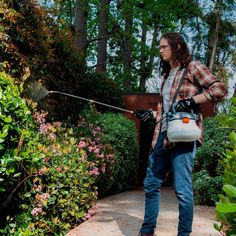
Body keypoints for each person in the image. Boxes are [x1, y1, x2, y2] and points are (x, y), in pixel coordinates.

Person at [135, 32, 227, 236]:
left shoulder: (193, 67)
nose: (159, 50)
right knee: (151, 184)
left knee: (182, 190)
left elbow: (220, 89)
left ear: (176, 47)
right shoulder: (167, 75)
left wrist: (193, 100)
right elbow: (170, 109)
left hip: (184, 135)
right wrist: (151, 113)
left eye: (163, 47)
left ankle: (183, 233)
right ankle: (147, 230)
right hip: (163, 133)